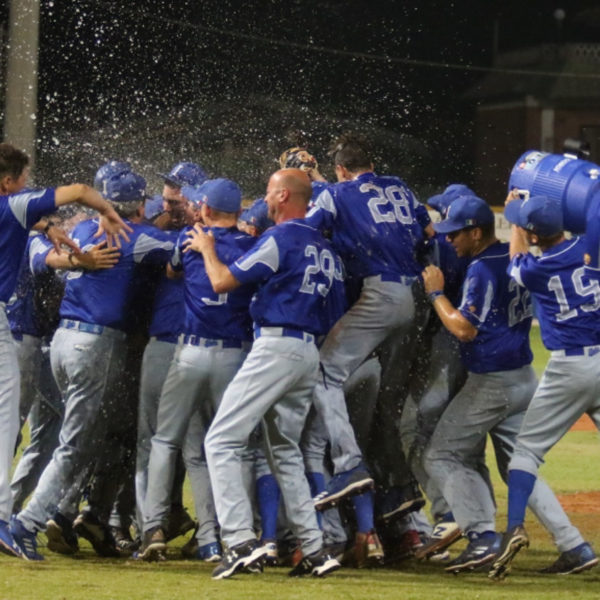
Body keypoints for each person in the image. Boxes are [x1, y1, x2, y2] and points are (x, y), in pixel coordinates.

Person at [185, 168, 343, 579]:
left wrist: (206, 247)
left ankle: (239, 541)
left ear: (285, 195)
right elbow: (334, 313)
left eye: (271, 192)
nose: (265, 198)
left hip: (277, 345)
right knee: (285, 451)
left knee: (220, 439)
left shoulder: (281, 238)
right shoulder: (324, 247)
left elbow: (221, 281)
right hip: (307, 350)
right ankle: (314, 548)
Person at [9, 170, 172, 561]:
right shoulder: (133, 235)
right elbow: (182, 247)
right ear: (138, 204)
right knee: (75, 443)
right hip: (95, 345)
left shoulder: (81, 230)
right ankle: (26, 521)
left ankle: (57, 514)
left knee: (77, 437)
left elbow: (49, 260)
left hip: (61, 342)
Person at [422, 194, 589, 574]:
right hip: (523, 377)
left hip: (493, 382)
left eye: (456, 235)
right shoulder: (515, 261)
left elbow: (464, 329)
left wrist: (436, 295)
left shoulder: (482, 268)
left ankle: (482, 537)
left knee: (441, 454)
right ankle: (574, 545)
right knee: (520, 466)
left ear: (476, 232)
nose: (449, 241)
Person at [0, 143, 129, 558]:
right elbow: (76, 191)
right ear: (8, 182)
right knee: (13, 427)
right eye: (20, 181)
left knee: (32, 429)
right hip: (16, 333)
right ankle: (10, 519)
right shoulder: (15, 206)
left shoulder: (23, 217)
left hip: (41, 341)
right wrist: (108, 214)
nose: (25, 187)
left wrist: (46, 227)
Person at [304, 134, 426, 562]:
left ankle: (350, 465)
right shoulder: (400, 186)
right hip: (413, 297)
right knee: (386, 416)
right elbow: (425, 230)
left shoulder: (335, 193)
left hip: (379, 297)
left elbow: (306, 227)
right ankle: (403, 513)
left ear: (340, 170)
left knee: (323, 373)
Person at [138, 178, 256, 563]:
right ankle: (217, 536)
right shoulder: (254, 246)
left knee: (164, 441)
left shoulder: (188, 240)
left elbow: (173, 272)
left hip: (189, 352)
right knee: (226, 447)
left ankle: (153, 526)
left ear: (204, 209)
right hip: (234, 356)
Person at [489, 193, 600, 579]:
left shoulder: (538, 269)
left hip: (570, 368)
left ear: (536, 234)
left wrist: (518, 224)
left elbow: (517, 262)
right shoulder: (590, 246)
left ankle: (514, 529)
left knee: (525, 454)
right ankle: (573, 549)